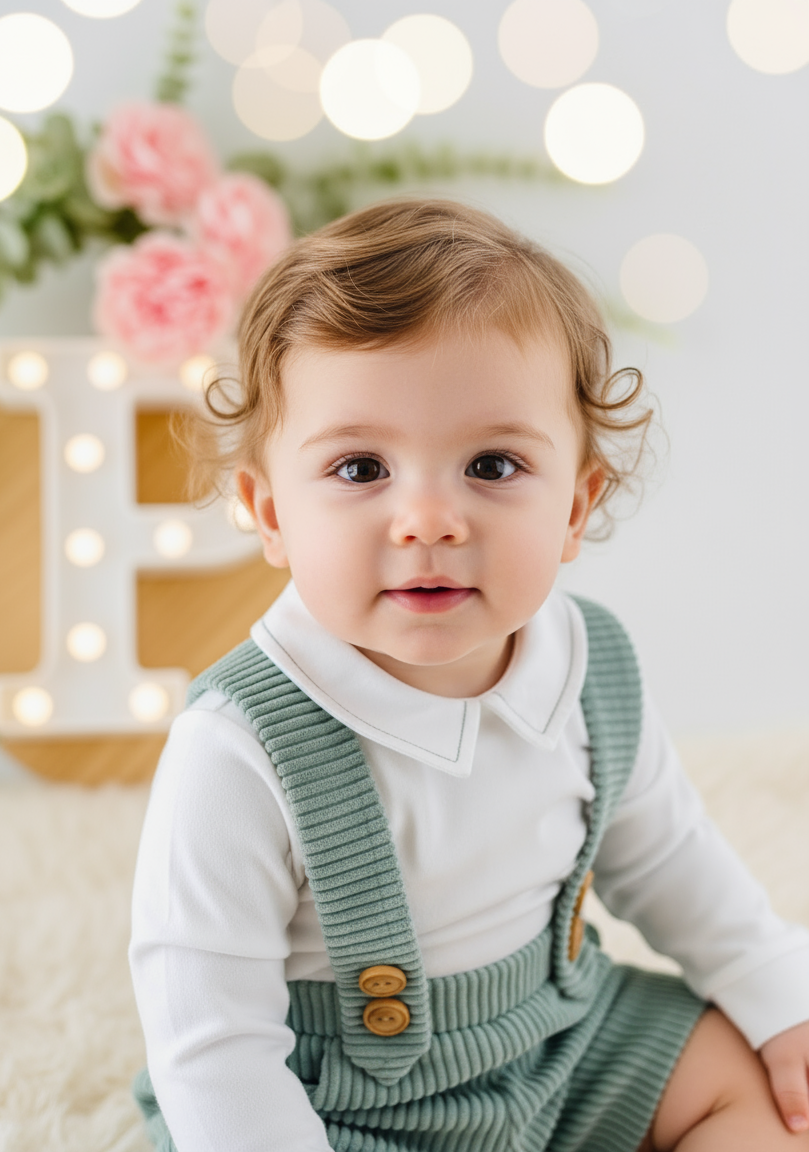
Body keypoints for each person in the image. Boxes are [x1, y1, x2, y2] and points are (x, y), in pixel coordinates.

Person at [129, 198, 809, 1152]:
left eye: (492, 463)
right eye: (362, 469)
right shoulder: (238, 750)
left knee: (751, 1090)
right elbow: (211, 1038)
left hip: (565, 1033)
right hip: (345, 1103)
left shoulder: (587, 663)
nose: (429, 521)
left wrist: (781, 996)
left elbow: (663, 859)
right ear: (268, 510)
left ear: (576, 506)